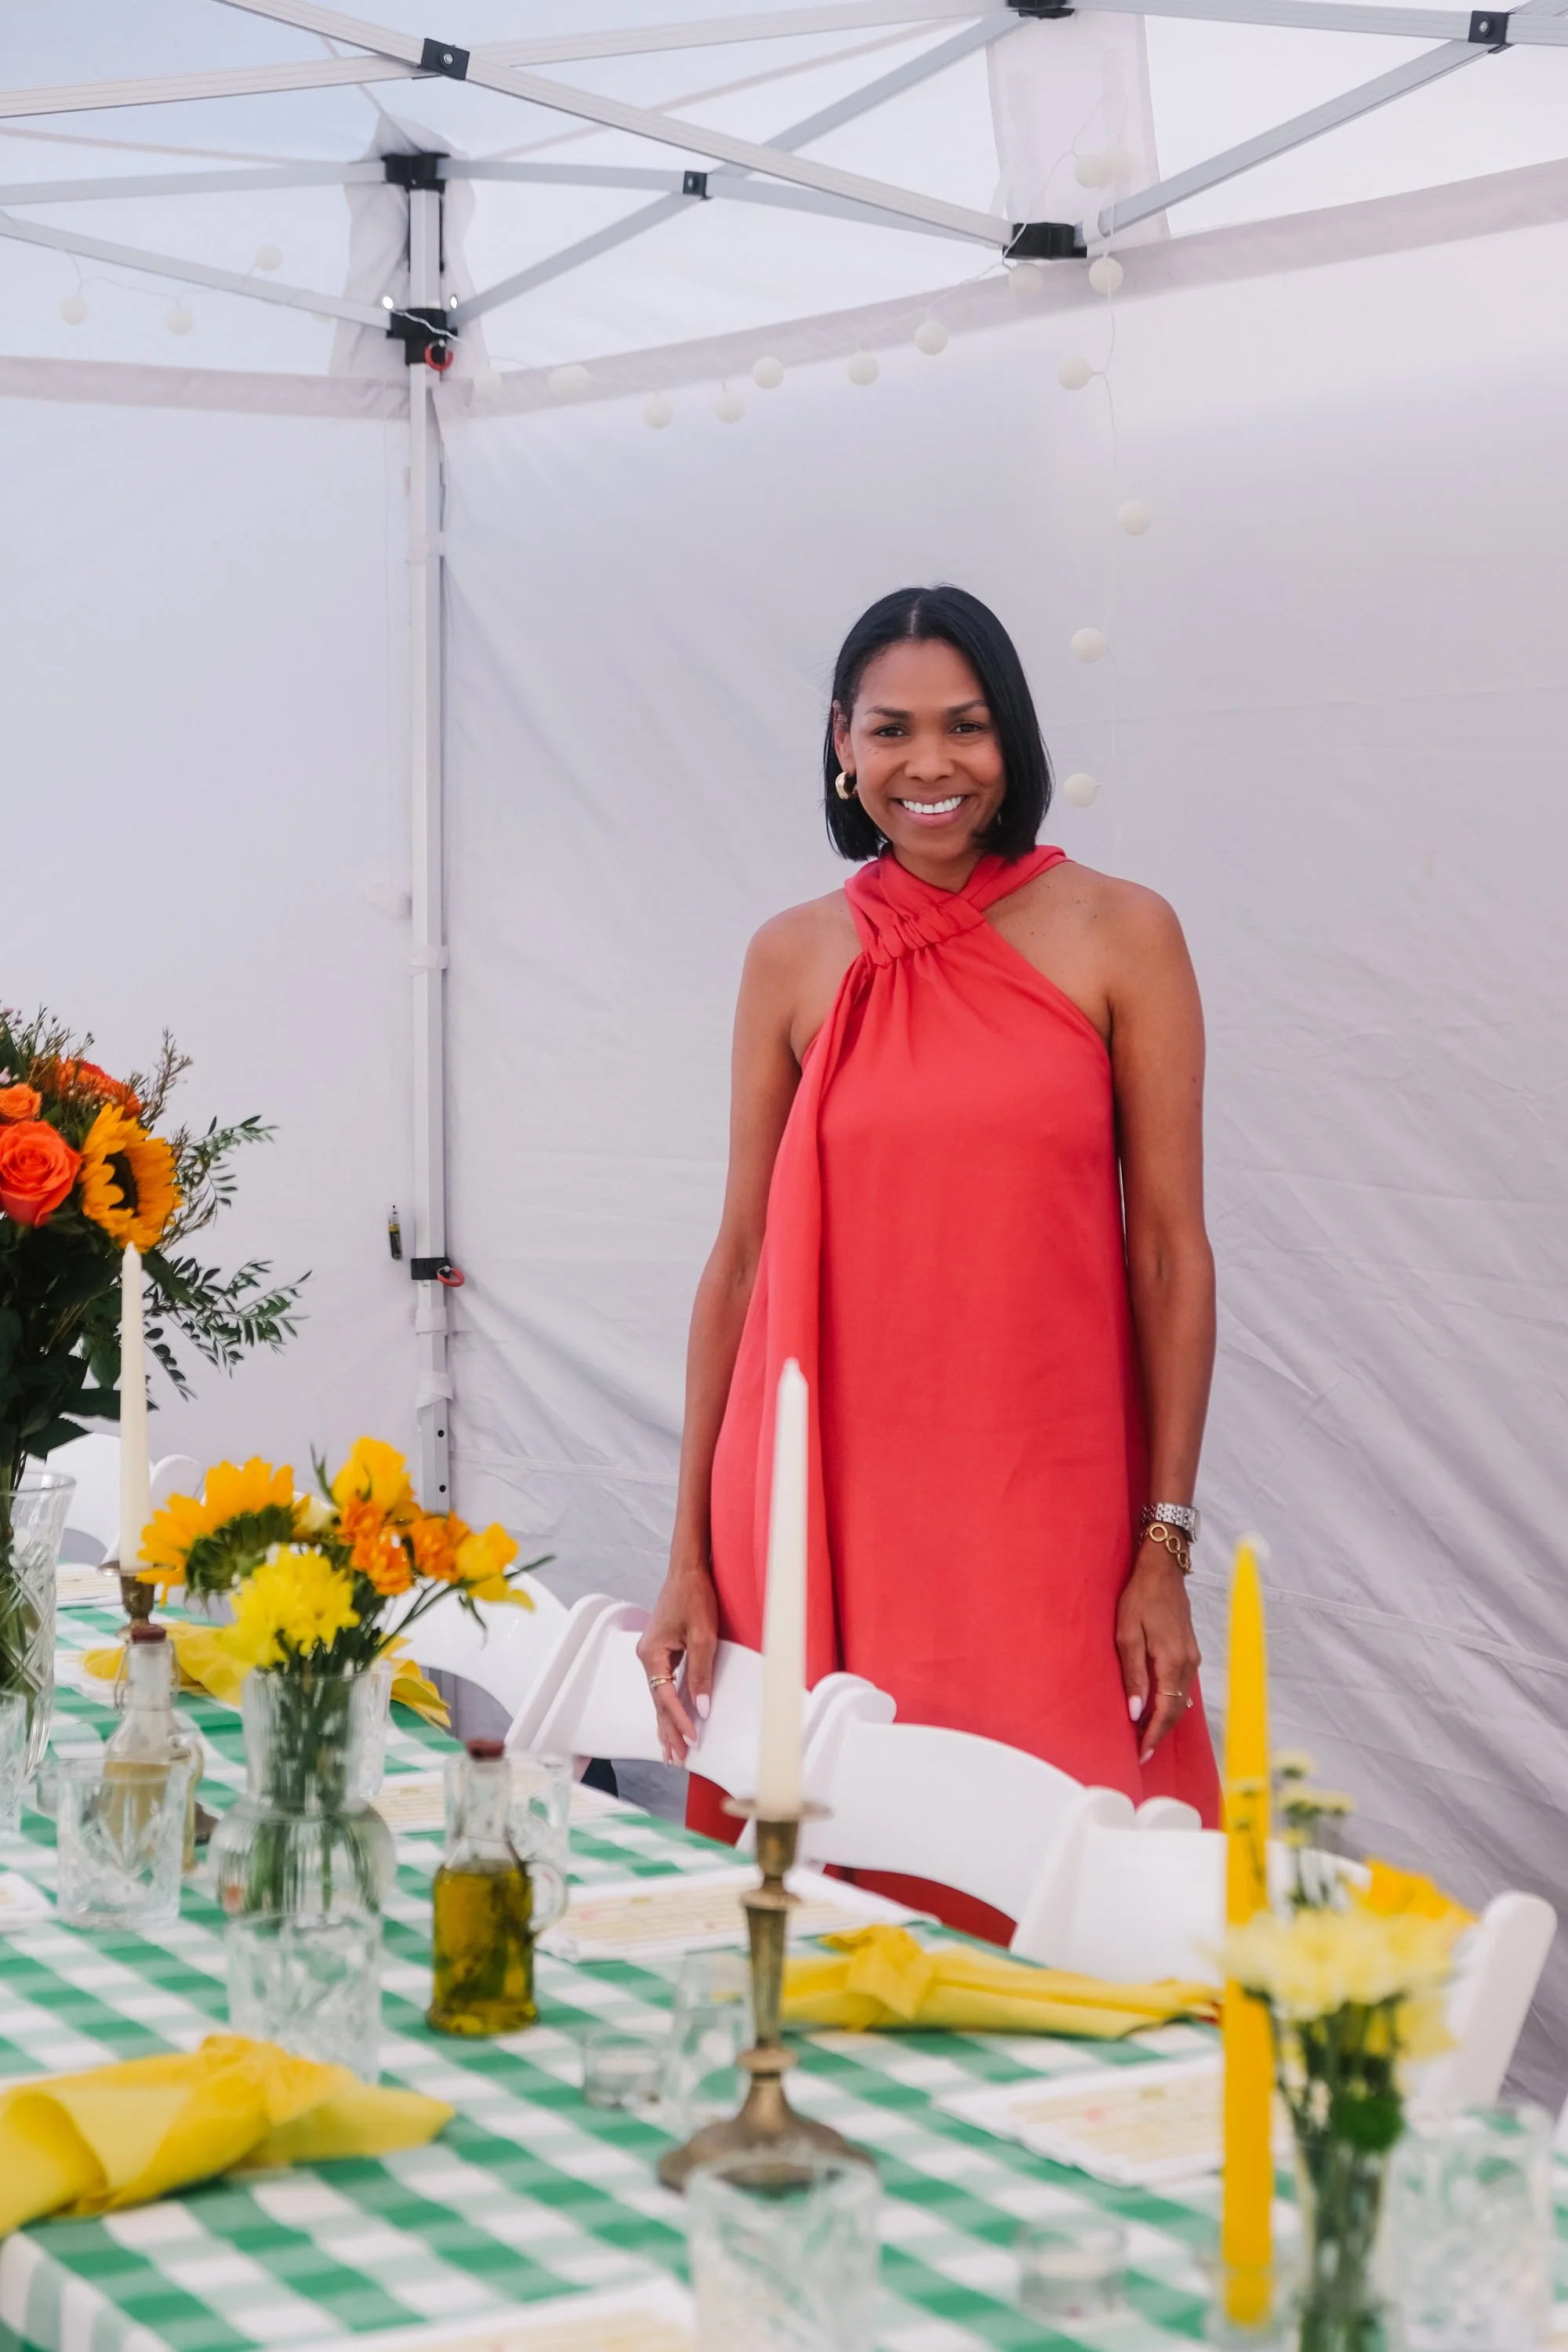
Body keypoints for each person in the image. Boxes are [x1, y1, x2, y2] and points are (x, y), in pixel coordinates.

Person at [638, 584, 1220, 1922]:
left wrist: (1164, 1545)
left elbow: (1169, 1256)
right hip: (821, 1497)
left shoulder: (1122, 933)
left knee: (1075, 1879)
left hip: (1043, 1501)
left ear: (1013, 735)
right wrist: (686, 1555)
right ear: (841, 743)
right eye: (891, 729)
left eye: (966, 726)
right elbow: (740, 1256)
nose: (930, 764)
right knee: (834, 1895)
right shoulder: (792, 956)